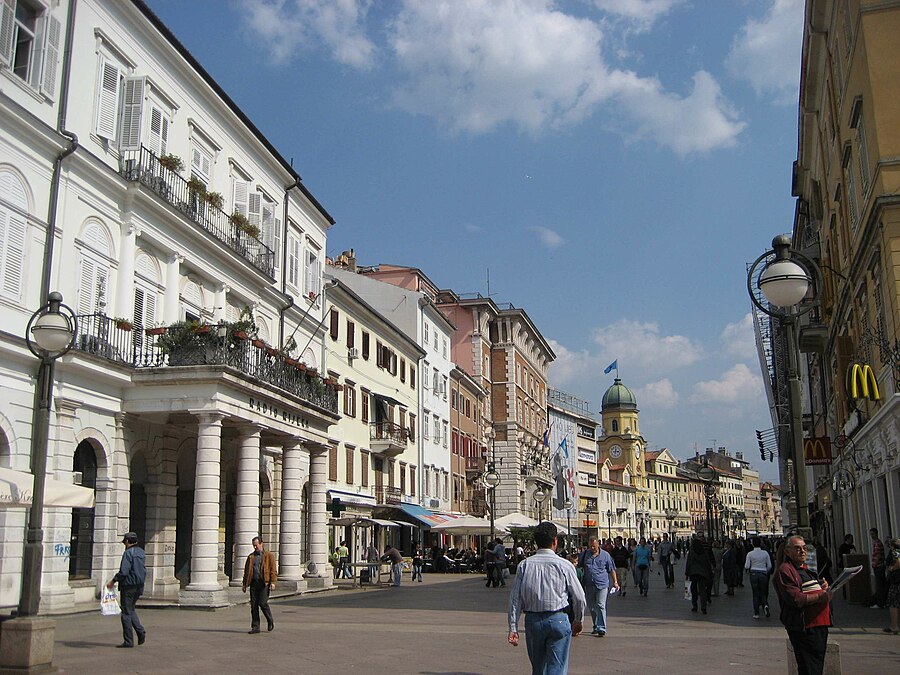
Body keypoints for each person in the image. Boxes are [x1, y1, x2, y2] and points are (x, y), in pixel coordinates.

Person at [508, 522, 586, 675]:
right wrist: (578, 619)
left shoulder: (524, 565)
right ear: (555, 541)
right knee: (557, 668)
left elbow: (515, 598)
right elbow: (579, 596)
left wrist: (513, 626)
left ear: (536, 542)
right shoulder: (565, 565)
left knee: (538, 669)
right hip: (558, 619)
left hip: (533, 621)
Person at [773, 535, 832, 675]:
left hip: (818, 625)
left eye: (804, 548)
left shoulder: (804, 569)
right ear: (787, 552)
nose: (802, 551)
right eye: (797, 548)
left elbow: (808, 587)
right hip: (805, 627)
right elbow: (796, 599)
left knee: (816, 666)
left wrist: (822, 586)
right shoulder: (785, 570)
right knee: (809, 668)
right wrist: (820, 596)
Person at [107, 532, 146, 648]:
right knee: (131, 609)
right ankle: (140, 631)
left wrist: (113, 581)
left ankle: (128, 641)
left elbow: (124, 571)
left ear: (128, 542)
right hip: (139, 585)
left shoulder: (128, 553)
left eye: (125, 542)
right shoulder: (141, 552)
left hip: (129, 586)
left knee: (125, 613)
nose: (124, 544)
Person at [580, 538, 619, 637]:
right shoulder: (585, 554)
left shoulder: (605, 555)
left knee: (601, 605)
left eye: (594, 546)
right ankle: (596, 625)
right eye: (590, 546)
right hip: (589, 584)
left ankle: (601, 628)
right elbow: (579, 566)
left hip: (602, 584)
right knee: (592, 607)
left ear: (598, 545)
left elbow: (611, 569)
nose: (592, 548)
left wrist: (615, 582)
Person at [242, 536, 277, 634]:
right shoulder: (251, 557)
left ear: (261, 544)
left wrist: (273, 582)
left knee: (262, 603)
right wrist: (245, 584)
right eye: (253, 546)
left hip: (264, 583)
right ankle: (255, 627)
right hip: (254, 583)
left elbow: (273, 570)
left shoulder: (269, 555)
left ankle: (270, 620)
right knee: (253, 606)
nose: (255, 548)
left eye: (256, 545)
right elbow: (247, 571)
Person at [745, 536, 773, 618]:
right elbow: (770, 566)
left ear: (753, 544)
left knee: (755, 593)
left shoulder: (750, 554)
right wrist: (765, 571)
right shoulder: (765, 553)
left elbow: (747, 566)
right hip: (763, 573)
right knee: (763, 592)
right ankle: (765, 605)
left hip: (753, 573)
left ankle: (756, 613)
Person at [685, 536, 712, 615]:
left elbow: (688, 563)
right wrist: (709, 572)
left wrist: (686, 573)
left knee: (693, 590)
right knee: (702, 590)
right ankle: (703, 607)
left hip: (693, 573)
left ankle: (695, 606)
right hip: (702, 573)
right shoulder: (704, 552)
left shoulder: (691, 552)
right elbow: (707, 562)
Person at [884, 537, 900, 635]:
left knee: (893, 603)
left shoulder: (895, 552)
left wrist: (892, 568)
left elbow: (898, 562)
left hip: (896, 581)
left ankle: (894, 626)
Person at [870, 528, 887, 608]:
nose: (871, 536)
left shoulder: (877, 543)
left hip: (879, 566)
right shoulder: (877, 542)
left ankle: (880, 603)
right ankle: (882, 602)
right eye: (871, 534)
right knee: (881, 584)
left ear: (876, 534)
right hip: (880, 566)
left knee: (879, 585)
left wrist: (874, 564)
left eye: (872, 534)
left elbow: (878, 555)